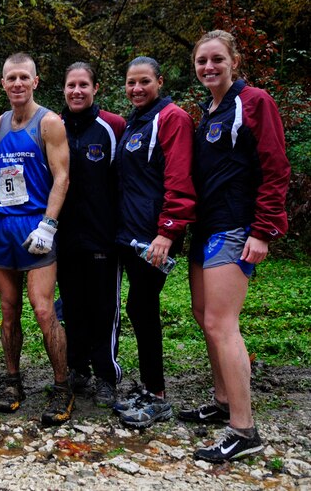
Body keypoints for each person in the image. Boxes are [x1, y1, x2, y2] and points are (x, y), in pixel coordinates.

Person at [180, 30, 290, 462]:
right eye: (202, 61)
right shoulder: (209, 111)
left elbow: (275, 167)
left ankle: (244, 430)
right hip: (205, 227)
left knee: (222, 323)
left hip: (235, 227)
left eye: (217, 59)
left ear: (234, 61)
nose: (209, 67)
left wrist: (263, 230)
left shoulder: (254, 102)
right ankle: (223, 401)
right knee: (203, 315)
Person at [0, 52, 73, 425]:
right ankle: (12, 381)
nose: (18, 83)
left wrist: (49, 225)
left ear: (35, 81)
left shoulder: (49, 122)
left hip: (35, 225)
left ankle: (62, 385)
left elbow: (62, 176)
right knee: (8, 311)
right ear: (3, 83)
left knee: (42, 309)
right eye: (11, 78)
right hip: (2, 225)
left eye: (24, 77)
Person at [112, 56, 196, 428]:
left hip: (155, 237)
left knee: (142, 306)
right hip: (132, 235)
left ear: (160, 81)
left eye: (144, 81)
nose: (137, 88)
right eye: (131, 82)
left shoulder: (172, 118)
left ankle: (158, 397)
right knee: (139, 308)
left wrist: (167, 232)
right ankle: (149, 388)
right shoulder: (135, 121)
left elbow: (180, 178)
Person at [57, 62, 125, 408]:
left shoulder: (113, 126)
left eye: (83, 85)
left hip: (103, 236)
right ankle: (78, 369)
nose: (77, 91)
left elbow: (125, 181)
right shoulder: (53, 125)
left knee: (103, 308)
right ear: (64, 89)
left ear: (95, 88)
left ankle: (106, 376)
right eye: (71, 85)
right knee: (72, 306)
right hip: (65, 236)